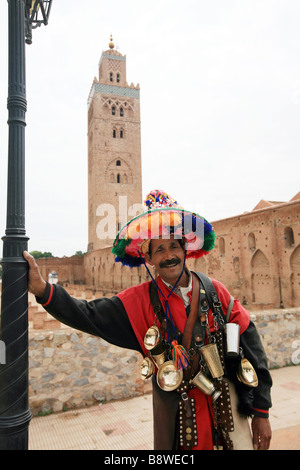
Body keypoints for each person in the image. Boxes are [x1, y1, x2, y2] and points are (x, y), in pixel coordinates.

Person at [24, 189, 272, 450]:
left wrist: (262, 412)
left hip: (227, 417)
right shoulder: (138, 302)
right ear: (150, 258)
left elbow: (252, 347)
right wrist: (43, 290)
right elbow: (88, 314)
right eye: (160, 249)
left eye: (173, 246)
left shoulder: (216, 292)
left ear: (185, 249)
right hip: (179, 426)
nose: (169, 255)